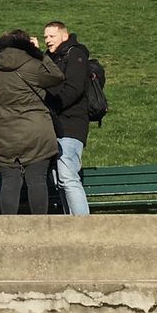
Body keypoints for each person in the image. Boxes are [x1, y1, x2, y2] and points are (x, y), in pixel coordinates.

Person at [0, 29, 63, 215]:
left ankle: (9, 229)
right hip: (36, 130)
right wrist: (39, 54)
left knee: (9, 179)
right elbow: (57, 77)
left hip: (2, 133)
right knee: (37, 178)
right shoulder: (32, 64)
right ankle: (39, 227)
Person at [44, 21, 91, 216]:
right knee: (59, 179)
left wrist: (51, 106)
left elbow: (74, 89)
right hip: (54, 126)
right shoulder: (51, 57)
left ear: (64, 36)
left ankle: (83, 226)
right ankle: (71, 224)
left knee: (67, 176)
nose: (47, 40)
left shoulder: (75, 54)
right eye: (45, 37)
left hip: (71, 125)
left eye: (51, 36)